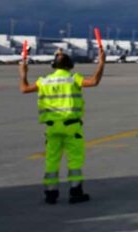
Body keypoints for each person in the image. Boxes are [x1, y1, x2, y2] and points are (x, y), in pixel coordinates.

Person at [20, 48, 106, 204]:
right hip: (71, 126)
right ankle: (75, 191)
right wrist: (101, 63)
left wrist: (23, 72)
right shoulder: (73, 79)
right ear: (70, 65)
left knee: (52, 160)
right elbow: (94, 81)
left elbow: (24, 89)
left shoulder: (44, 81)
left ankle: (51, 193)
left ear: (53, 65)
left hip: (52, 127)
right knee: (74, 160)